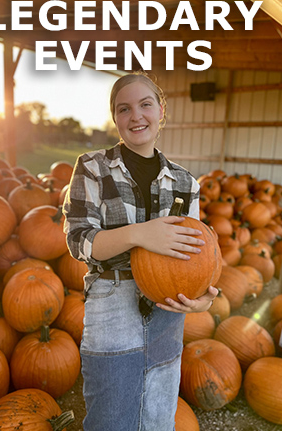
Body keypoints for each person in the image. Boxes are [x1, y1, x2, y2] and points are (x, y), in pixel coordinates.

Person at [63, 72, 218, 431]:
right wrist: (139, 235)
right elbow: (79, 239)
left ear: (161, 110)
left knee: (158, 418)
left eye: (145, 104)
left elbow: (197, 253)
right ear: (115, 118)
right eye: (124, 108)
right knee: (111, 417)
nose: (136, 116)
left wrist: (203, 298)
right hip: (112, 300)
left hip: (167, 309)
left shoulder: (185, 182)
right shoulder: (92, 167)